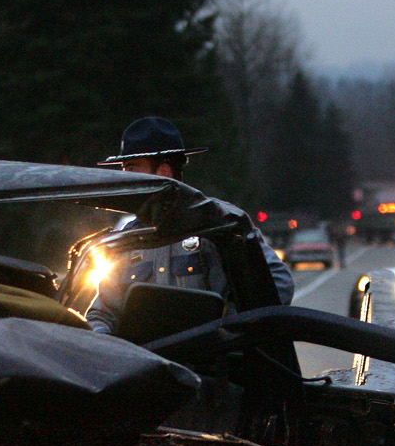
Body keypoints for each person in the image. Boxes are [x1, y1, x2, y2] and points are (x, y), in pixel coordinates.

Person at [85, 116, 293, 334]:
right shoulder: (129, 239)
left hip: (209, 365)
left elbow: (278, 283)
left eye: (132, 169)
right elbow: (103, 312)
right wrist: (104, 342)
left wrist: (229, 330)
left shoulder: (219, 222)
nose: (124, 178)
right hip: (147, 364)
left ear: (164, 171)